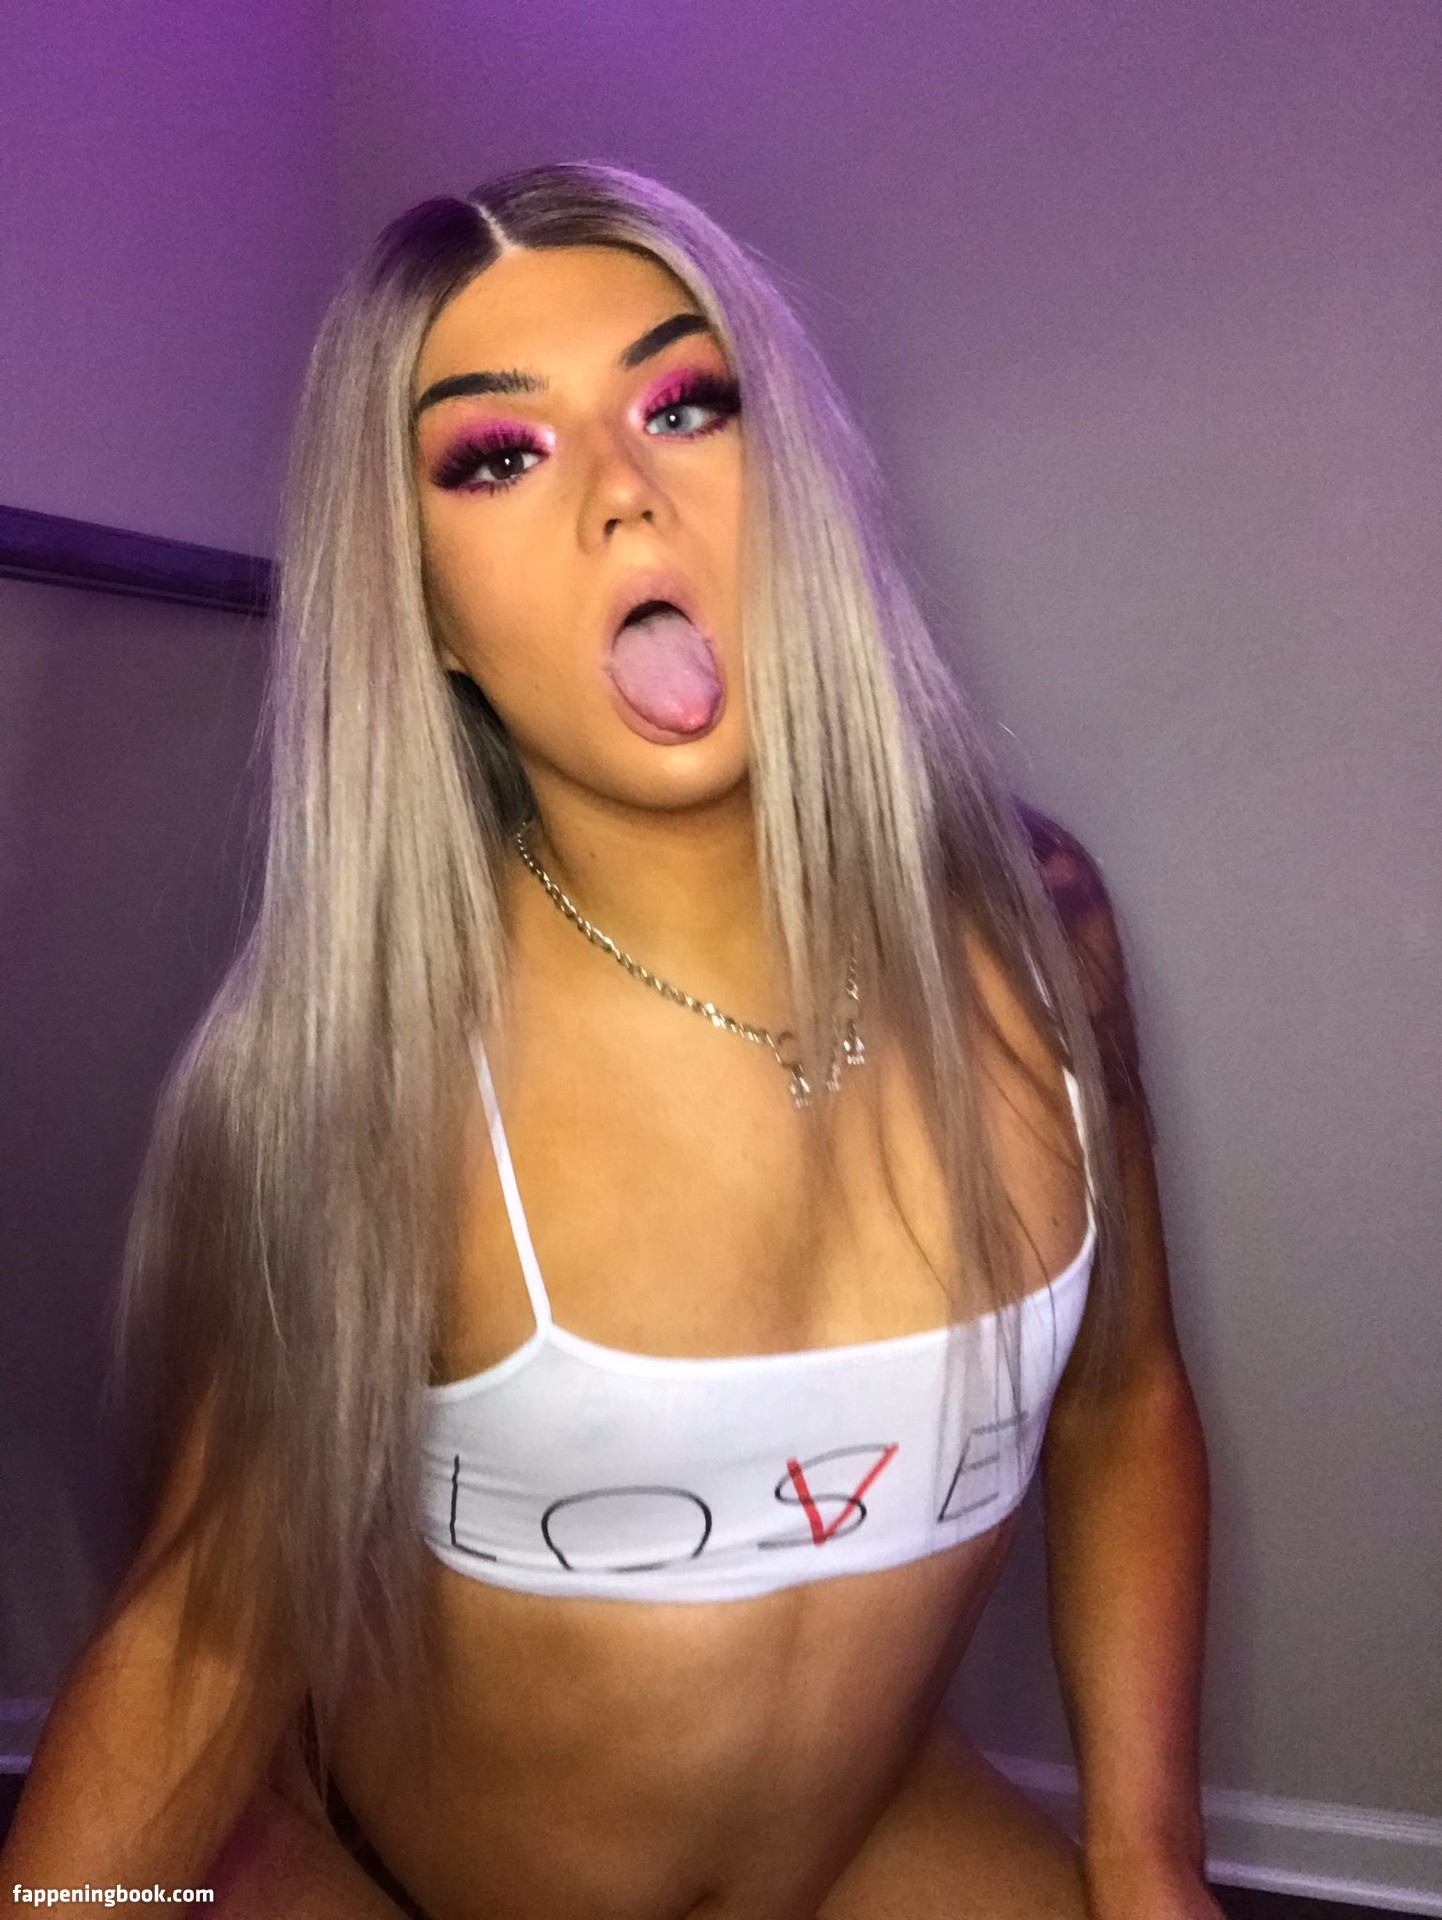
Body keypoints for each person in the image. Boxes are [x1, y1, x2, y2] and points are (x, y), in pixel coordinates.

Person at [1, 162, 1221, 1919]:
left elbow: (1121, 1405)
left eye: (685, 404)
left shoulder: (1041, 932)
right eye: (498, 455)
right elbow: (200, 1642)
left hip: (858, 1838)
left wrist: (1146, 1858)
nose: (625, 494)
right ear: (424, 608)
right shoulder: (381, 1071)